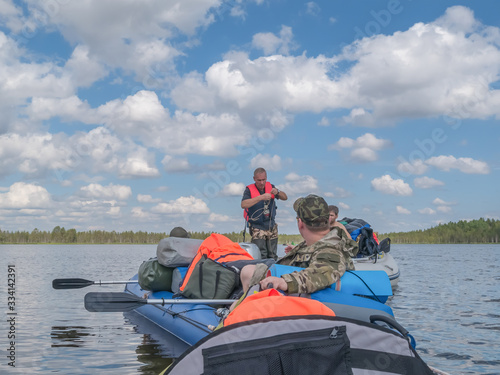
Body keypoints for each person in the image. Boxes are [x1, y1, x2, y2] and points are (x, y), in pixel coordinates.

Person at [238, 194, 358, 296]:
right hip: (295, 291)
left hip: (303, 303)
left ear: (300, 223)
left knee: (248, 272)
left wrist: (285, 282)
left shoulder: (331, 250)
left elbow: (324, 271)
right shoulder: (323, 242)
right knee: (246, 269)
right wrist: (298, 251)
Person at [241, 167, 287, 260]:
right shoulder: (249, 190)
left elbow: (285, 197)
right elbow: (243, 204)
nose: (262, 182)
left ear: (266, 178)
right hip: (257, 227)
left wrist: (277, 191)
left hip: (271, 225)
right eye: (259, 180)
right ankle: (261, 272)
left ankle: (272, 272)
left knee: (273, 255)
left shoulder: (271, 187)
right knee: (261, 255)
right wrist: (261, 197)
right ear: (254, 179)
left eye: (263, 180)